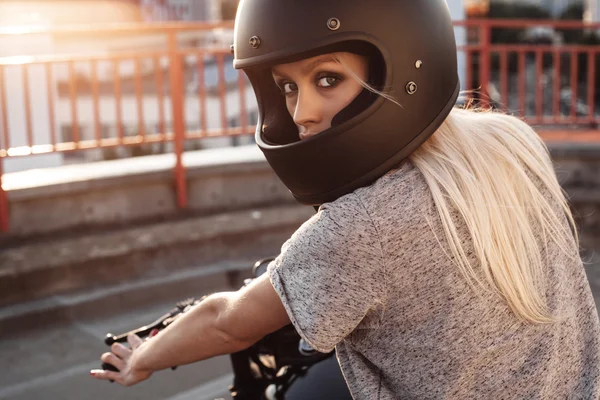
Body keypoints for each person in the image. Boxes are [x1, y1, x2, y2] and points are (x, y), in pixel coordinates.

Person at [90, 0, 600, 398]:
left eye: (327, 79)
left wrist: (142, 359)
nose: (302, 113)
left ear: (401, 68)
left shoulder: (362, 227)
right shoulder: (511, 143)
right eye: (287, 87)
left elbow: (227, 324)